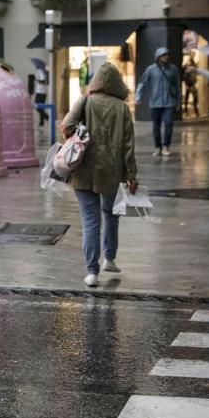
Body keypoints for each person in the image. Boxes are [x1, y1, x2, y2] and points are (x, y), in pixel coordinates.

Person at [61, 62, 138, 288]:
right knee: (111, 213)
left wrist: (78, 133)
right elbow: (128, 146)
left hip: (83, 170)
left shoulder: (85, 101)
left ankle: (92, 272)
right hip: (111, 172)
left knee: (90, 221)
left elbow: (67, 125)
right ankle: (110, 258)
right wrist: (132, 174)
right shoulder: (122, 108)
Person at [135, 47, 180, 156]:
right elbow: (142, 83)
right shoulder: (151, 69)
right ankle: (157, 147)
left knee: (168, 123)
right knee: (156, 126)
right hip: (155, 102)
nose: (166, 57)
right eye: (164, 55)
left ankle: (166, 146)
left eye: (167, 55)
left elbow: (177, 85)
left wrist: (179, 101)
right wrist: (138, 97)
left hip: (169, 101)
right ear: (158, 57)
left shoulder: (173, 69)